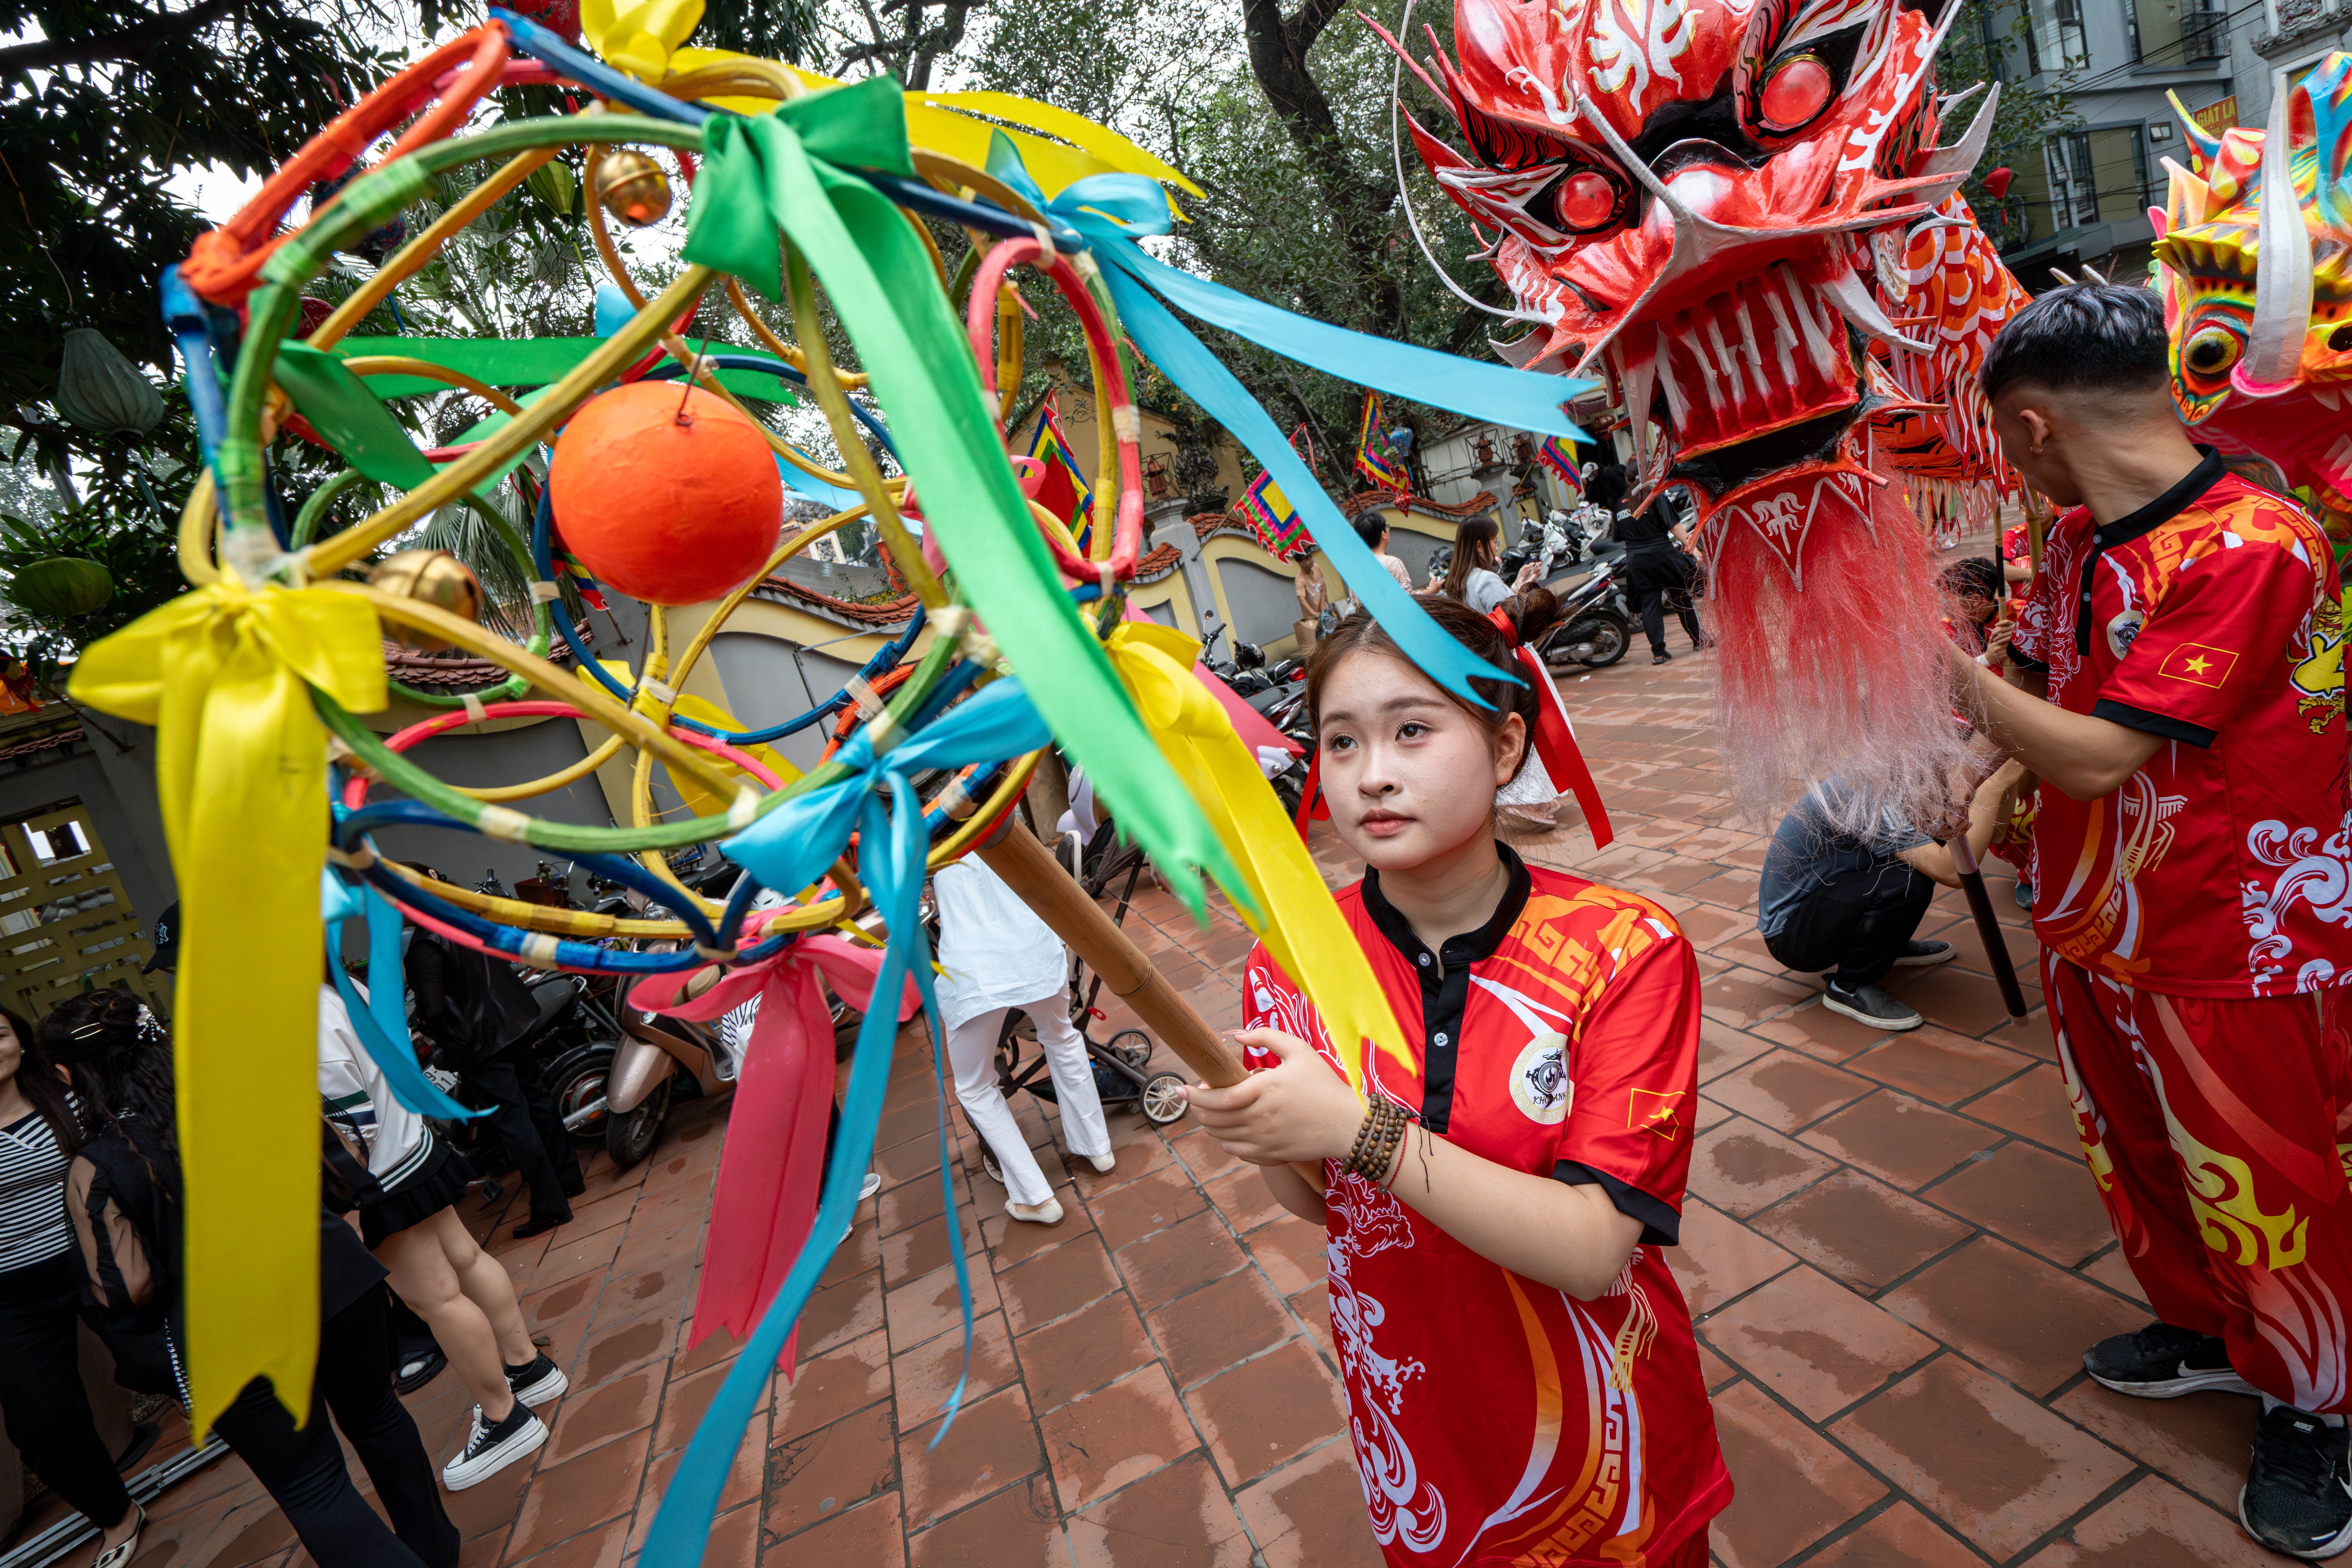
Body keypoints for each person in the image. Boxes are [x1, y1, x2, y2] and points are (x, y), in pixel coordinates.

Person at [1185, 588, 1728, 1566]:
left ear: (1506, 745)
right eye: (1340, 743)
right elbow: (1326, 1209)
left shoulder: (1622, 952)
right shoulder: (1292, 959)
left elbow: (1590, 1250)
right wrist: (1264, 1130)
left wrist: (1354, 1128)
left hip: (1598, 1426)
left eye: (1410, 730)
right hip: (1417, 1419)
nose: (1371, 776)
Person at [1956, 283, 2351, 1560]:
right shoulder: (2075, 540)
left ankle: (2317, 1403)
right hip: (2093, 914)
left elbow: (2095, 753)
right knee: (2136, 1157)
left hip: (2236, 930)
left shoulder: (2253, 542)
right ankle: (2205, 1327)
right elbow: (2057, 699)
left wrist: (1949, 681)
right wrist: (1998, 774)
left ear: (2025, 426)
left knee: (2269, 1181)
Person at [35, 989, 462, 1568]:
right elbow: (342, 1162)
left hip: (230, 1328)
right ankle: (436, 1552)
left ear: (68, 1073)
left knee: (314, 1486)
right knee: (379, 1416)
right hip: (332, 1274)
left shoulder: (101, 1163)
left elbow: (124, 1287)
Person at [326, 975, 564, 1488]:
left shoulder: (303, 1016)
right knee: (467, 1263)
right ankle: (527, 1368)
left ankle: (505, 1418)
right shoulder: (346, 986)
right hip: (413, 1150)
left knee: (437, 1300)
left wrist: (343, 1199)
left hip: (383, 1176)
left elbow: (347, 1127)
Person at [0, 1002, 142, 1568]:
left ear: (19, 1040)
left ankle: (257, 1431)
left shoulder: (70, 1097)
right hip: (13, 1289)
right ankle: (117, 1514)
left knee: (165, 1354)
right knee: (38, 1418)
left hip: (97, 1260)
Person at [1757, 761, 2025, 1031]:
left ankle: (1882, 945)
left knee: (1930, 846)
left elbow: (1997, 835)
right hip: (1794, 936)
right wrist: (1996, 785)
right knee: (1910, 880)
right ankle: (1849, 986)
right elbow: (1952, 873)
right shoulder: (1870, 794)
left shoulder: (1901, 772)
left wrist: (2005, 781)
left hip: (1821, 904)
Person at [933, 854, 1114, 1224]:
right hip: (1037, 956)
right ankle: (1098, 1148)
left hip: (976, 976)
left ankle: (1036, 1197)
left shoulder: (931, 841)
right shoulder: (1002, 818)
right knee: (1063, 1036)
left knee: (974, 1087)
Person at [401, 868, 580, 1238]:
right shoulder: (461, 913)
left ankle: (550, 1206)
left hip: (480, 1041)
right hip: (513, 1019)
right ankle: (569, 1180)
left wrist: (421, 1016)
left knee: (514, 1122)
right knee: (538, 1101)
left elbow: (433, 1009)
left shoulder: (425, 943)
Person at [1615, 490, 1705, 663]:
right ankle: (1698, 641)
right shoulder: (1655, 497)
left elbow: (1618, 535)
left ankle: (1658, 654)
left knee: (1650, 604)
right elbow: (1673, 526)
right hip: (1663, 556)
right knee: (1681, 598)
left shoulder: (1620, 504)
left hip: (1637, 560)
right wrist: (1694, 549)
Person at [1436, 516, 1538, 613]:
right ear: (1480, 546)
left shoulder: (1460, 580)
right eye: (1495, 542)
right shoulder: (1487, 580)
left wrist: (1517, 586)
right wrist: (1525, 592)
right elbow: (1514, 617)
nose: (1496, 548)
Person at [1353, 513, 1415, 593]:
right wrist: (1429, 591)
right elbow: (1409, 598)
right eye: (1387, 526)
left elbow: (1356, 602)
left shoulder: (1356, 569)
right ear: (1384, 534)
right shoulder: (1393, 563)